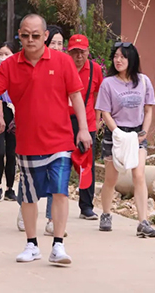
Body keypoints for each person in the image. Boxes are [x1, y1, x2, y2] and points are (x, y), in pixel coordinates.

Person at [0, 14, 92, 265]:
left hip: (60, 141)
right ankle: (32, 244)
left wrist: (83, 129)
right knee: (29, 195)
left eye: (36, 35)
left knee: (59, 191)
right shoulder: (10, 65)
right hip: (28, 141)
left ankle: (58, 245)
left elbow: (76, 96)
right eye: (25, 35)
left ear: (45, 36)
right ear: (19, 36)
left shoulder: (63, 62)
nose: (30, 40)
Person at [95, 42, 155, 238]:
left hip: (137, 134)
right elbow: (104, 112)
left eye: (123, 56)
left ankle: (143, 221)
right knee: (111, 179)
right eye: (116, 56)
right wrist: (117, 132)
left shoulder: (144, 81)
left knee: (138, 176)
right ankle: (106, 213)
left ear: (132, 59)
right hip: (116, 134)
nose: (118, 60)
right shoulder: (108, 83)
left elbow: (148, 109)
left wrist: (145, 131)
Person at [16, 25, 66, 235]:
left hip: (61, 129)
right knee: (32, 179)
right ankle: (26, 207)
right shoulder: (23, 64)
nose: (56, 46)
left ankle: (52, 222)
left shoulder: (64, 64)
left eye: (60, 44)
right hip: (32, 131)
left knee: (57, 184)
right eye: (53, 42)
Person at [67, 34, 104, 220]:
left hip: (87, 123)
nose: (78, 56)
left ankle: (86, 206)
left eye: (82, 52)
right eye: (74, 52)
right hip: (64, 121)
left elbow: (98, 97)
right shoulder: (63, 67)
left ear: (88, 52)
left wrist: (96, 121)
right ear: (68, 52)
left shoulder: (95, 70)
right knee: (63, 162)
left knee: (86, 165)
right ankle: (58, 203)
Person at [0, 42, 17, 202]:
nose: (3, 57)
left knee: (12, 153)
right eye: (0, 54)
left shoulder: (17, 71)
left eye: (6, 54)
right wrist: (0, 116)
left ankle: (9, 187)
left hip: (15, 112)